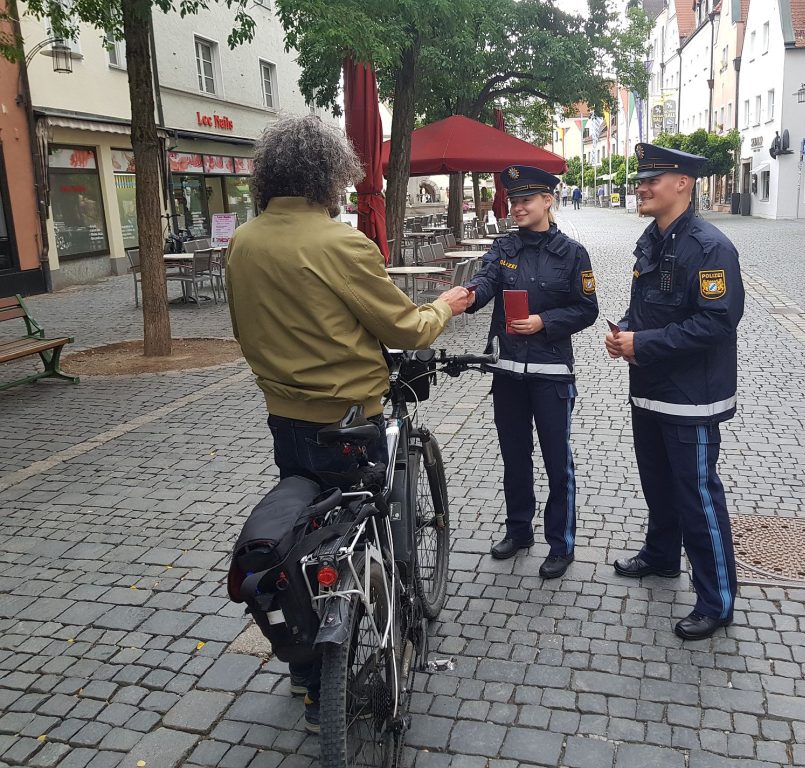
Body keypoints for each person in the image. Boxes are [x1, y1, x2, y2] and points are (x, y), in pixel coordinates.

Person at [225, 115, 471, 734]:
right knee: (362, 537)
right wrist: (446, 303)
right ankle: (365, 640)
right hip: (351, 422)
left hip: (285, 419)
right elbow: (405, 328)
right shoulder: (341, 243)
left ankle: (308, 673)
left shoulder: (245, 242)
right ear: (330, 174)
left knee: (306, 535)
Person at [605, 143, 744, 643]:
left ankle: (717, 599)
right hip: (649, 387)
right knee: (658, 484)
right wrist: (624, 329)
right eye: (639, 180)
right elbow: (643, 305)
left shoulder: (710, 248)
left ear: (683, 183)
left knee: (697, 496)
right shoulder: (653, 239)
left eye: (651, 180)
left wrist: (642, 343)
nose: (640, 187)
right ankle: (662, 556)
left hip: (691, 395)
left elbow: (716, 321)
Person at [466, 165, 599, 579]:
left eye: (526, 199)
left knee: (558, 462)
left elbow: (587, 309)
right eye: (513, 200)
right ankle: (519, 530)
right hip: (508, 372)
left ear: (547, 201)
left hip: (552, 372)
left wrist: (544, 322)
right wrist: (463, 297)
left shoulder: (574, 253)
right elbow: (486, 282)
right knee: (514, 458)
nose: (517, 207)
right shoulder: (503, 247)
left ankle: (561, 543)